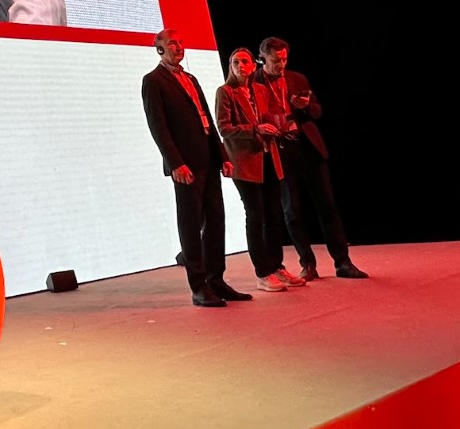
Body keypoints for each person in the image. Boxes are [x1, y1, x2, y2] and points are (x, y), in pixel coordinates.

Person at [140, 30, 245, 306]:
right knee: (190, 225)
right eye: (172, 43)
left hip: (208, 159)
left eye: (181, 42)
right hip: (185, 164)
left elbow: (207, 120)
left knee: (216, 221)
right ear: (159, 49)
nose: (179, 47)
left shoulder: (190, 78)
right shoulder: (153, 81)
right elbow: (158, 127)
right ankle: (198, 287)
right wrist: (175, 163)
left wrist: (221, 155)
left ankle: (216, 280)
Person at [253, 37, 367, 280]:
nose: (281, 64)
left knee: (327, 205)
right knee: (291, 209)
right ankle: (308, 264)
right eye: (276, 60)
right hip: (280, 149)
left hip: (307, 146)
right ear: (263, 58)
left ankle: (343, 262)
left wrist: (305, 106)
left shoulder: (297, 78)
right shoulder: (254, 82)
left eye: (284, 59)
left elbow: (317, 111)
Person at [215, 48, 303, 294]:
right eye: (235, 62)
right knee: (256, 216)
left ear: (253, 66)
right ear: (230, 66)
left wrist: (278, 126)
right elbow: (224, 127)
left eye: (245, 61)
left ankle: (276, 266)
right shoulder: (225, 92)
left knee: (274, 215)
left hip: (268, 158)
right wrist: (255, 130)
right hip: (245, 162)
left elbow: (270, 116)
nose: (240, 65)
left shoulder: (260, 90)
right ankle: (262, 272)